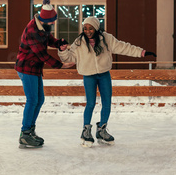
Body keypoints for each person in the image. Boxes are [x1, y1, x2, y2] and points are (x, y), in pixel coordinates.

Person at [58, 16, 156, 147]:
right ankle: (86, 131)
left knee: (107, 102)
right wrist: (63, 50)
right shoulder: (79, 42)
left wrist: (142, 52)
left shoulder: (106, 39)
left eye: (90, 28)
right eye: (85, 28)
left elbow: (123, 47)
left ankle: (102, 130)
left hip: (104, 74)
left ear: (96, 28)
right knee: (91, 103)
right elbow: (70, 58)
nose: (87, 31)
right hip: (88, 76)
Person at [15, 0, 75, 149]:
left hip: (35, 69)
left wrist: (58, 43)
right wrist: (61, 65)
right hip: (26, 68)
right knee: (32, 100)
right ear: (45, 20)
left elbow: (48, 39)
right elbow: (43, 55)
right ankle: (25, 134)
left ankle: (31, 130)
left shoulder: (41, 26)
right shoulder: (33, 31)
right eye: (52, 22)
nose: (53, 24)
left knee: (39, 99)